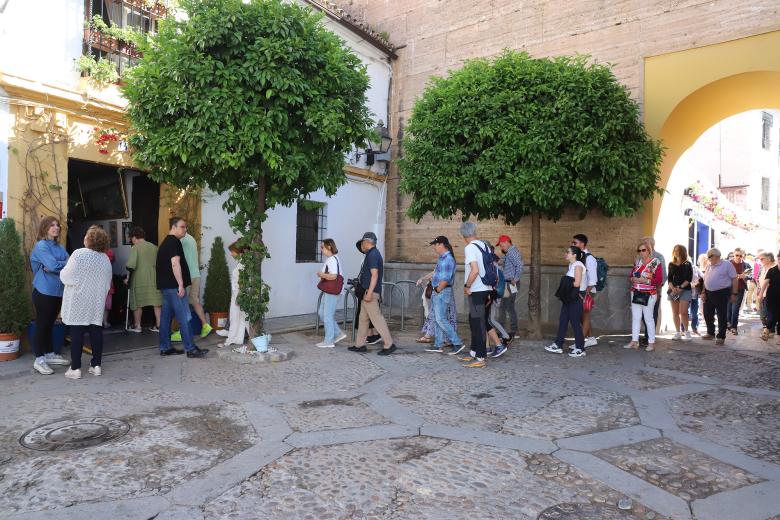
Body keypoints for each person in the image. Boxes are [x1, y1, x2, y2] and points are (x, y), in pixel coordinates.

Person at [60, 226, 113, 379]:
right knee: (96, 332)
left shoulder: (79, 254)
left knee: (77, 334)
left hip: (78, 301)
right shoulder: (105, 259)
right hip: (96, 302)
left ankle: (75, 368)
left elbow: (66, 276)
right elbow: (107, 284)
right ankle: (96, 366)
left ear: (88, 239)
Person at [157, 217, 208, 358]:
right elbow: (175, 263)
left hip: (166, 287)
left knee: (166, 318)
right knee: (185, 316)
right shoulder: (174, 242)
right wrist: (180, 284)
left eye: (185, 227)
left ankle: (165, 347)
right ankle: (190, 348)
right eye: (182, 227)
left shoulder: (166, 242)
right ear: (174, 227)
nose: (185, 229)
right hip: (173, 287)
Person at [29, 216, 70, 374]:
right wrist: (58, 265)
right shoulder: (41, 246)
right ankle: (39, 360)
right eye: (52, 225)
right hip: (43, 291)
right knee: (42, 325)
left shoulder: (58, 247)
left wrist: (56, 266)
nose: (56, 227)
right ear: (45, 228)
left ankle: (49, 354)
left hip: (58, 291)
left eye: (57, 225)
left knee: (49, 324)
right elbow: (52, 265)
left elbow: (70, 263)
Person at [348, 232, 397, 355]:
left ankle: (389, 344)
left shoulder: (373, 255)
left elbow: (374, 275)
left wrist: (369, 293)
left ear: (366, 242)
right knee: (363, 320)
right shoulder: (371, 254)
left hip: (370, 293)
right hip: (366, 293)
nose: (362, 246)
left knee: (377, 320)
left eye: (362, 243)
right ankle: (360, 345)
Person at [457, 222, 493, 368]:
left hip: (477, 290)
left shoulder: (470, 247)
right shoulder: (484, 245)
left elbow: (475, 270)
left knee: (478, 323)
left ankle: (480, 357)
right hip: (487, 288)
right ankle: (473, 351)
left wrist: (467, 285)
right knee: (474, 320)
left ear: (463, 234)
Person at [422, 236, 464, 355]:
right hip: (439, 291)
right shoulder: (442, 258)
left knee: (441, 319)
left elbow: (445, 279)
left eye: (435, 245)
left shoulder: (447, 259)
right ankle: (438, 344)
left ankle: (457, 342)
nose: (434, 247)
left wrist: (438, 289)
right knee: (437, 319)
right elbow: (437, 273)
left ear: (441, 244)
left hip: (441, 291)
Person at [545, 245, 587, 357]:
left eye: (568, 252)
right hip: (569, 298)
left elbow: (577, 283)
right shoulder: (572, 265)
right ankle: (558, 345)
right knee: (563, 321)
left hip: (575, 299)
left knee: (575, 324)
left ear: (574, 255)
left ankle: (580, 348)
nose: (565, 253)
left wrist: (564, 282)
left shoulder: (578, 265)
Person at [171, 232, 213, 341]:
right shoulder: (192, 238)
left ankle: (182, 332)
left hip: (186, 276)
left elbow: (176, 259)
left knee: (182, 303)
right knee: (195, 301)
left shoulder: (180, 239)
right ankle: (205, 325)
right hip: (195, 274)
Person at [625, 239, 661, 352]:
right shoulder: (638, 262)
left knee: (648, 318)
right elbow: (631, 275)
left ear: (649, 250)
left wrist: (645, 281)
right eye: (639, 250)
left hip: (649, 294)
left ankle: (651, 342)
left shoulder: (655, 262)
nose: (641, 252)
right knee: (635, 318)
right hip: (636, 292)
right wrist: (633, 279)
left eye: (643, 250)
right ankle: (634, 341)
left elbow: (659, 279)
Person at [125, 227, 162, 332]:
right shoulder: (154, 247)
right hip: (154, 279)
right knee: (156, 302)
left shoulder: (135, 248)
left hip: (139, 279)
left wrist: (127, 278)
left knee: (137, 303)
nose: (132, 241)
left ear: (135, 237)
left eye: (131, 238)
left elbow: (131, 265)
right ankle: (159, 326)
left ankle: (137, 326)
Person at [216, 241, 252, 347]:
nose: (231, 254)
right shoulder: (243, 262)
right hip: (237, 293)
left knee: (242, 317)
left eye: (232, 252)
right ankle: (233, 339)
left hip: (240, 294)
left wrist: (239, 296)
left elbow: (242, 282)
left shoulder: (243, 264)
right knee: (237, 317)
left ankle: (255, 338)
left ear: (238, 251)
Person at [701, 247, 738, 346]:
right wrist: (703, 292)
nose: (708, 259)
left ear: (716, 256)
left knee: (721, 315)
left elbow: (734, 279)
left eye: (709, 257)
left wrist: (734, 293)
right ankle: (710, 332)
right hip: (709, 293)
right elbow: (705, 279)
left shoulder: (727, 265)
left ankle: (721, 336)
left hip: (722, 292)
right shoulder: (709, 265)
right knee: (707, 313)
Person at [316, 238, 347, 348]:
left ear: (329, 247)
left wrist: (321, 274)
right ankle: (338, 333)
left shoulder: (332, 259)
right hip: (330, 290)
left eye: (322, 247)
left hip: (332, 291)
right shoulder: (333, 259)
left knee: (327, 315)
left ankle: (329, 341)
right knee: (322, 313)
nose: (321, 249)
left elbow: (333, 276)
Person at [571, 234, 598, 348]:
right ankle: (591, 338)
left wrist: (586, 293)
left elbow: (593, 279)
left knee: (585, 315)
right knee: (582, 316)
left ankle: (580, 343)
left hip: (587, 291)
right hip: (580, 290)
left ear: (582, 244)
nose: (572, 245)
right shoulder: (578, 256)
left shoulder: (589, 258)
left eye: (575, 243)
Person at [485, 242, 511, 357]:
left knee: (490, 320)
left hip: (494, 295)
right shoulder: (496, 262)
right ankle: (501, 338)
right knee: (490, 319)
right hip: (496, 294)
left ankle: (505, 337)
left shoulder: (492, 263)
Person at [496, 234, 523, 339]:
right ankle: (507, 330)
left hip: (510, 283)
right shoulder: (509, 252)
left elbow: (520, 265)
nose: (501, 247)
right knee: (506, 307)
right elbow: (503, 261)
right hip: (508, 283)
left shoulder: (512, 252)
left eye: (501, 245)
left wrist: (515, 279)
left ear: (507, 242)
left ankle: (513, 331)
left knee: (506, 307)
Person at [641, 236, 666, 345]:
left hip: (653, 290)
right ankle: (647, 335)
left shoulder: (658, 257)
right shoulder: (640, 257)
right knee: (642, 314)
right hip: (641, 290)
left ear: (651, 245)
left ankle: (649, 338)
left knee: (651, 314)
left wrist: (657, 287)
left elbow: (663, 275)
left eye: (645, 243)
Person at [667, 244, 693, 341]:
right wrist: (673, 288)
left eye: (678, 250)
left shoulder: (687, 264)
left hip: (685, 290)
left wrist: (681, 287)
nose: (676, 252)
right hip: (673, 290)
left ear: (682, 252)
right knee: (675, 313)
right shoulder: (671, 264)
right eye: (675, 250)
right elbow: (669, 279)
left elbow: (689, 278)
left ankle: (686, 331)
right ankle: (677, 332)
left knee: (684, 312)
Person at [726, 247, 751, 334]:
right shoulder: (728, 264)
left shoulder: (746, 265)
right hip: (728, 288)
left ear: (743, 256)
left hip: (740, 289)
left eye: (741, 256)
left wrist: (746, 277)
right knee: (728, 307)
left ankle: (734, 327)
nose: (738, 257)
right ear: (733, 254)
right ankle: (728, 323)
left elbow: (751, 276)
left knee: (735, 308)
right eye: (737, 255)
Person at [760, 253, 780, 345]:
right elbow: (765, 283)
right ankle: (767, 330)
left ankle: (771, 334)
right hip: (771, 297)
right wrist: (760, 294)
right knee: (772, 315)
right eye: (779, 259)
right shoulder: (772, 271)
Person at [756, 251, 776, 340]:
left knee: (769, 313)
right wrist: (759, 291)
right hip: (763, 294)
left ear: (768, 258)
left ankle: (770, 331)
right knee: (764, 314)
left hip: (772, 295)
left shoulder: (775, 267)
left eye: (762, 259)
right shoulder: (762, 267)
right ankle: (769, 330)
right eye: (759, 259)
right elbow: (759, 281)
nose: (760, 261)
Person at [689, 254, 706, 336]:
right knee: (683, 312)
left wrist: (698, 283)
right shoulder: (681, 268)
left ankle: (695, 328)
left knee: (694, 313)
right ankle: (683, 329)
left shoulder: (695, 268)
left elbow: (703, 277)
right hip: (684, 294)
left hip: (694, 294)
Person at [103, 248, 115, 328]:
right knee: (106, 304)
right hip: (106, 279)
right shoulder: (109, 252)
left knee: (106, 304)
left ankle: (104, 321)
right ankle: (104, 321)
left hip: (105, 280)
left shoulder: (109, 252)